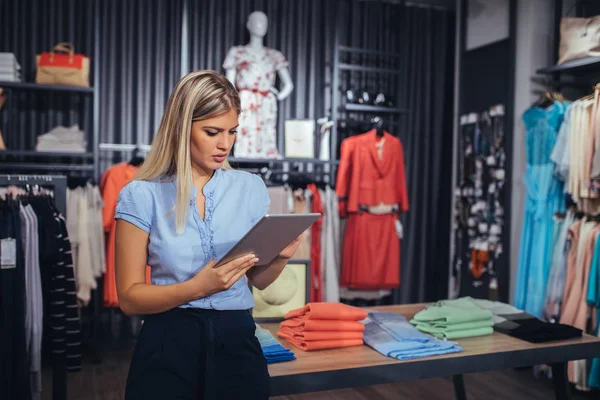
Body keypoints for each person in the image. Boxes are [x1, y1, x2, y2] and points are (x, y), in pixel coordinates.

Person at [114, 70, 301, 400]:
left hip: (238, 343)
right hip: (168, 344)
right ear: (181, 128)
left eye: (232, 132)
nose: (225, 144)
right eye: (212, 132)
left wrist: (281, 257)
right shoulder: (141, 194)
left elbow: (258, 280)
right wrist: (197, 288)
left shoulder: (251, 187)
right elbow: (129, 298)